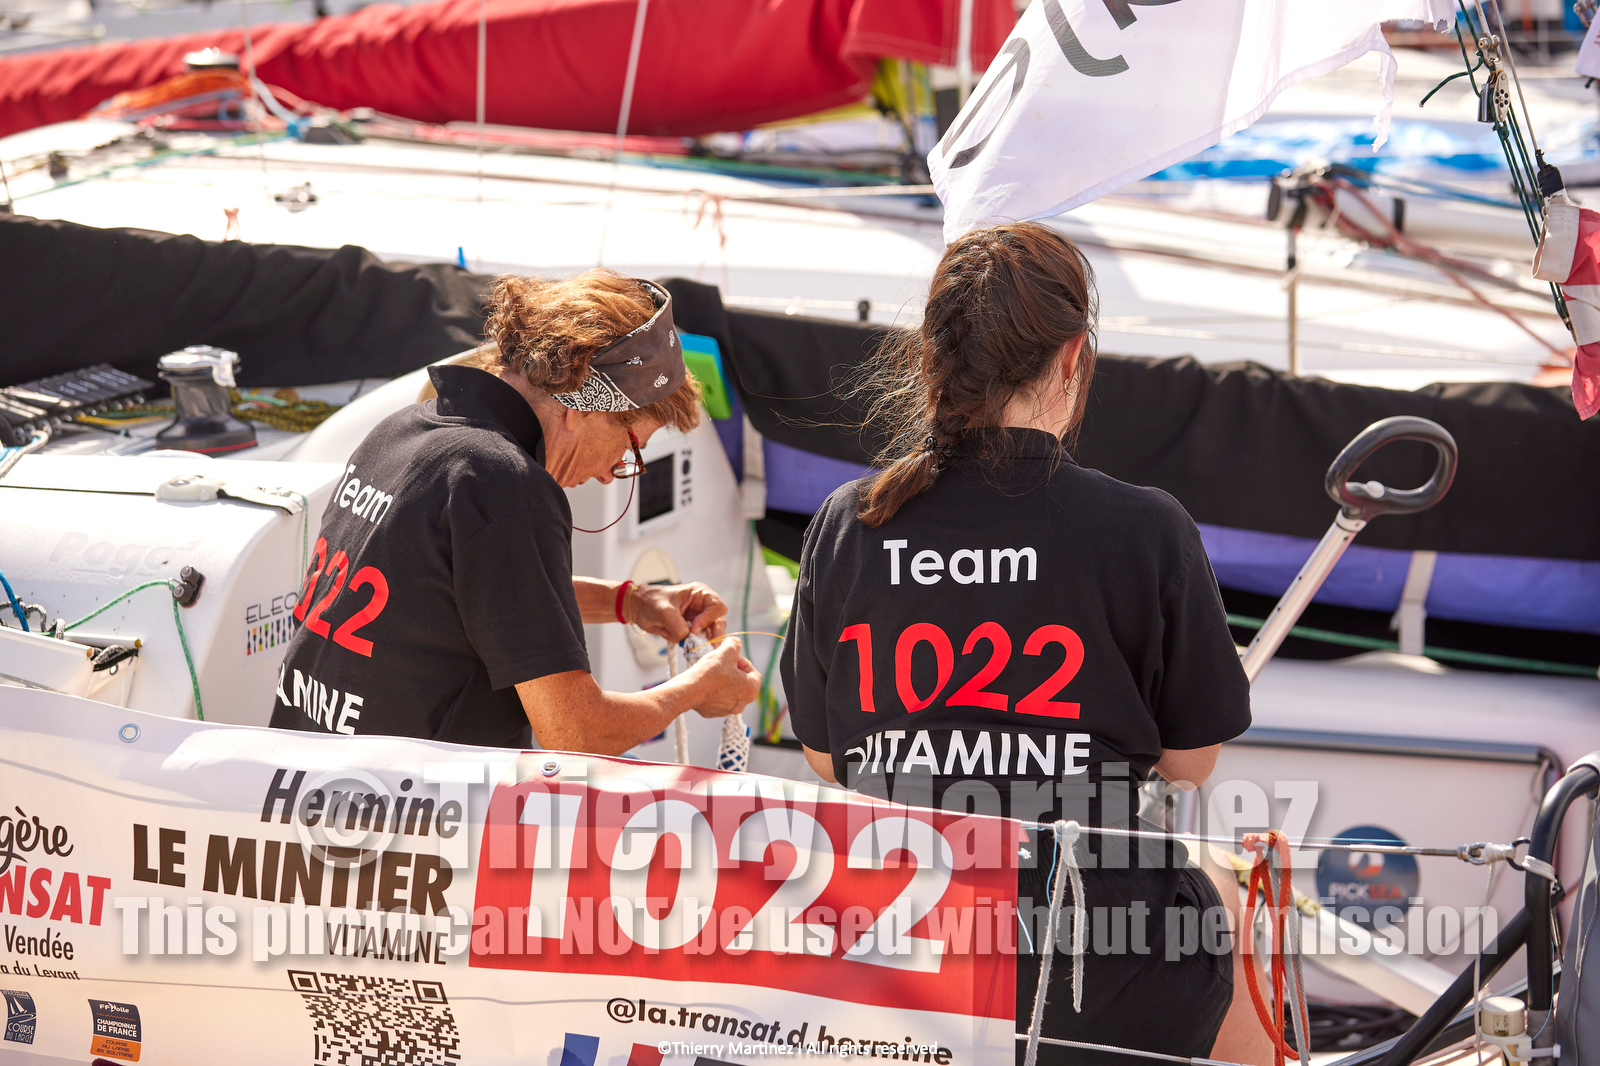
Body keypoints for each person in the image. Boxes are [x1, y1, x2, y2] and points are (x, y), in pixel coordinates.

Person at [780, 222, 1269, 1065]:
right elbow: (1191, 764)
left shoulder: (849, 522)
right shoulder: (1145, 527)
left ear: (931, 358)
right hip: (1096, 966)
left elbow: (829, 758)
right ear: (1074, 356)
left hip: (892, 953)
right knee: (1225, 894)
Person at [270, 270, 761, 753]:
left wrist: (631, 601)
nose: (615, 473)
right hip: (405, 800)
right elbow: (577, 733)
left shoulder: (399, 433)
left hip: (302, 775)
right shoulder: (505, 484)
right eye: (632, 446)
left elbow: (476, 594)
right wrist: (698, 689)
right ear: (583, 407)